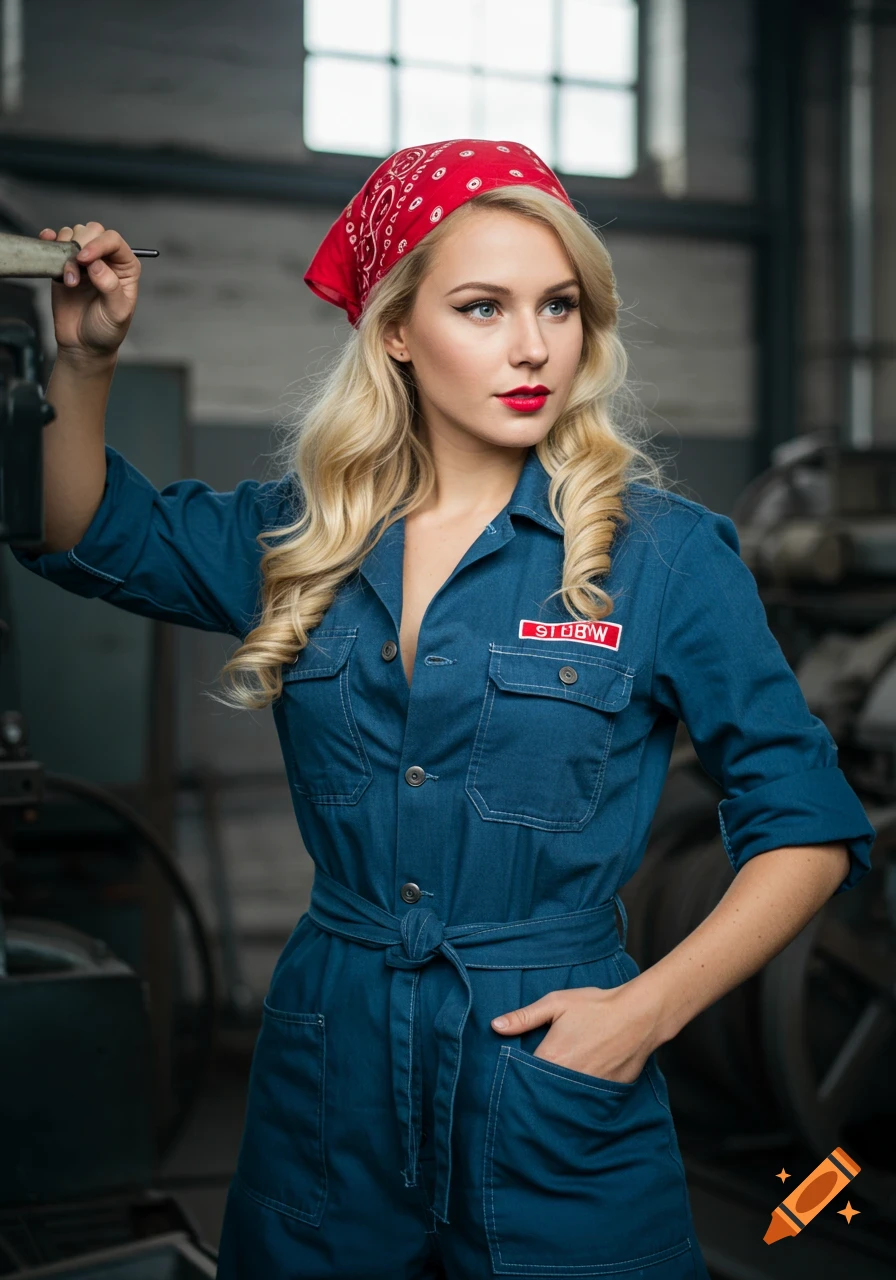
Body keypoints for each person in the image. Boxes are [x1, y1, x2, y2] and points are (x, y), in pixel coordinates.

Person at [15, 138, 875, 1280]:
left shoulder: (662, 555)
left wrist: (647, 1010)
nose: (532, 347)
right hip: (334, 1062)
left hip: (550, 1062)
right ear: (396, 333)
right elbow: (79, 532)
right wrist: (82, 364)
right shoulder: (301, 535)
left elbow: (807, 820)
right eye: (482, 307)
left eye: (558, 305)